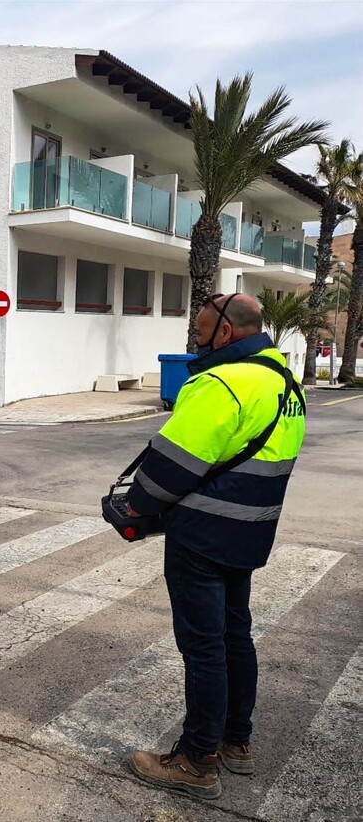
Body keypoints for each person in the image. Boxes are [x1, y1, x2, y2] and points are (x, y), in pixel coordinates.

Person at [124, 293, 306, 800]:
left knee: (203, 648)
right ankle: (235, 742)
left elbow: (171, 464)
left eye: (199, 333)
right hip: (249, 534)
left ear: (224, 334)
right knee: (233, 637)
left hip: (201, 537)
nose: (195, 342)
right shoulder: (285, 382)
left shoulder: (221, 382)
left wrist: (137, 505)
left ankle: (196, 760)